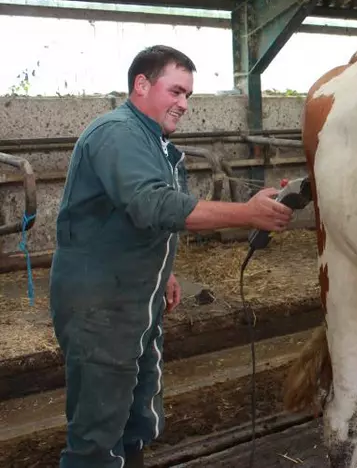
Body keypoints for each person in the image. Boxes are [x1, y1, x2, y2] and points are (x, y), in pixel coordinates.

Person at [49, 45, 292, 468]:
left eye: (188, 96)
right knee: (97, 432)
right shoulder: (117, 133)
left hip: (134, 298)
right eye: (176, 91)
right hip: (101, 306)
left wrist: (165, 270)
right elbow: (152, 205)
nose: (184, 104)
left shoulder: (154, 142)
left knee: (134, 413)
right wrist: (247, 213)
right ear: (141, 84)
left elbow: (136, 221)